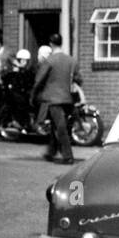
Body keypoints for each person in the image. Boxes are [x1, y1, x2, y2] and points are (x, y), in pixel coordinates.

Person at [33, 34, 80, 164]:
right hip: (68, 98)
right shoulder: (71, 60)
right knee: (57, 124)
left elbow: (39, 80)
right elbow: (78, 79)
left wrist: (34, 93)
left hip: (53, 99)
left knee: (60, 127)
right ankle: (51, 152)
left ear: (51, 44)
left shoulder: (50, 60)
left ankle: (68, 155)